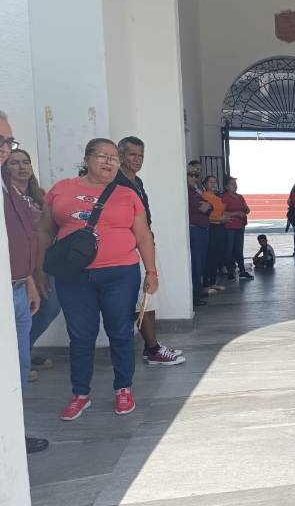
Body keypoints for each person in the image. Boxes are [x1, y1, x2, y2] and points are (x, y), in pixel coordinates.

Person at [36, 138, 159, 420]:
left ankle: (123, 388)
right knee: (80, 336)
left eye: (114, 158)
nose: (109, 162)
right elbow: (44, 231)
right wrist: (40, 269)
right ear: (86, 159)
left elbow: (143, 235)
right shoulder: (62, 190)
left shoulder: (127, 194)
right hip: (73, 277)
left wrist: (151, 272)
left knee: (120, 332)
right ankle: (80, 394)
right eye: (102, 156)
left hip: (120, 274)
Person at [0, 110, 49, 452]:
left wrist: (28, 279)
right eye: (0, 141)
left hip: (18, 288)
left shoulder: (8, 188)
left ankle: (13, 435)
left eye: (8, 141)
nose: (5, 147)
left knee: (19, 366)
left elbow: (19, 239)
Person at [116, 136, 184, 365]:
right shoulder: (116, 182)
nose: (137, 160)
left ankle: (151, 346)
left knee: (150, 295)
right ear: (121, 155)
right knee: (143, 297)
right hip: (129, 247)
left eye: (141, 156)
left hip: (144, 243)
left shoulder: (137, 181)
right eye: (132, 155)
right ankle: (152, 349)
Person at [5, 149, 59, 379]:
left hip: (46, 261)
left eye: (25, 162)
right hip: (23, 265)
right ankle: (18, 358)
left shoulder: (40, 195)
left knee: (50, 308)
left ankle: (25, 350)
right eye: (14, 163)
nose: (22, 167)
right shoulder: (7, 197)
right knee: (29, 310)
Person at [187, 162, 211, 306]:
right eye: (191, 175)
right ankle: (195, 293)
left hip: (202, 228)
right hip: (195, 229)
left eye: (196, 175)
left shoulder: (197, 190)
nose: (194, 178)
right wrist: (208, 206)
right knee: (196, 262)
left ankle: (198, 288)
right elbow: (203, 208)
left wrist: (208, 205)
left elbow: (210, 205)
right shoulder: (188, 192)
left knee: (201, 261)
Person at [201, 175, 231, 291]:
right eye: (210, 182)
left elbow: (221, 212)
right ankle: (206, 284)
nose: (213, 184)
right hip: (211, 228)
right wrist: (219, 219)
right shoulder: (204, 196)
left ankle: (213, 282)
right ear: (205, 184)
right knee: (209, 256)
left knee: (216, 256)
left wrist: (225, 216)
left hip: (220, 228)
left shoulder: (218, 198)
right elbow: (204, 217)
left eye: (215, 182)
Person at [221, 176, 253, 280]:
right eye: (232, 184)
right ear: (226, 186)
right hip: (229, 226)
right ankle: (230, 271)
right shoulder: (225, 197)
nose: (235, 186)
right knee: (229, 249)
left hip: (240, 226)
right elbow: (222, 212)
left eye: (235, 184)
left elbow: (246, 208)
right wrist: (236, 213)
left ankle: (242, 270)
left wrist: (246, 210)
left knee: (239, 249)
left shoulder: (240, 197)